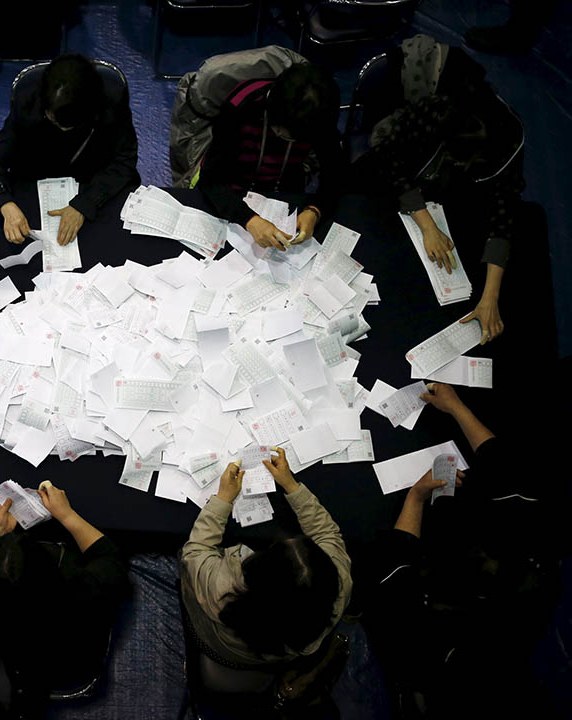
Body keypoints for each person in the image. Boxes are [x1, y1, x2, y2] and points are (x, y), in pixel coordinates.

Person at [360, 383, 564, 716]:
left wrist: (415, 498)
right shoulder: (538, 572)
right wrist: (457, 408)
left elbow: (395, 565)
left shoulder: (419, 627)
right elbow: (503, 468)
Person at [359, 52, 527, 345]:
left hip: (456, 204)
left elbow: (503, 212)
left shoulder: (507, 142)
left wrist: (490, 297)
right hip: (400, 187)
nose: (460, 165)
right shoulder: (439, 110)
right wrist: (427, 225)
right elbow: (389, 158)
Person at [0, 481, 128, 719]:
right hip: (66, 669)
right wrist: (67, 515)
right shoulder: (82, 598)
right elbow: (109, 557)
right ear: (53, 569)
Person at [180, 450, 351, 690]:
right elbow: (326, 534)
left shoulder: (221, 591)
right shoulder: (339, 586)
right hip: (275, 656)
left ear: (255, 569)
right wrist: (291, 485)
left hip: (219, 643)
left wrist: (223, 499)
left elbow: (196, 550)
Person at [0, 53, 140, 247]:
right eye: (53, 119)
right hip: (34, 184)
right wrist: (5, 202)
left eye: (70, 125)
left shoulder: (111, 102)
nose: (62, 129)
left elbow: (124, 160)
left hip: (92, 183)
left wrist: (85, 203)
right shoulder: (28, 101)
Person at [195, 62, 345, 251]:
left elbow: (335, 175)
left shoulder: (320, 118)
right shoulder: (241, 105)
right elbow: (211, 179)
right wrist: (249, 219)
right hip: (231, 187)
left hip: (283, 191)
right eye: (281, 133)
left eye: (297, 139)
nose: (287, 140)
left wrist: (315, 210)